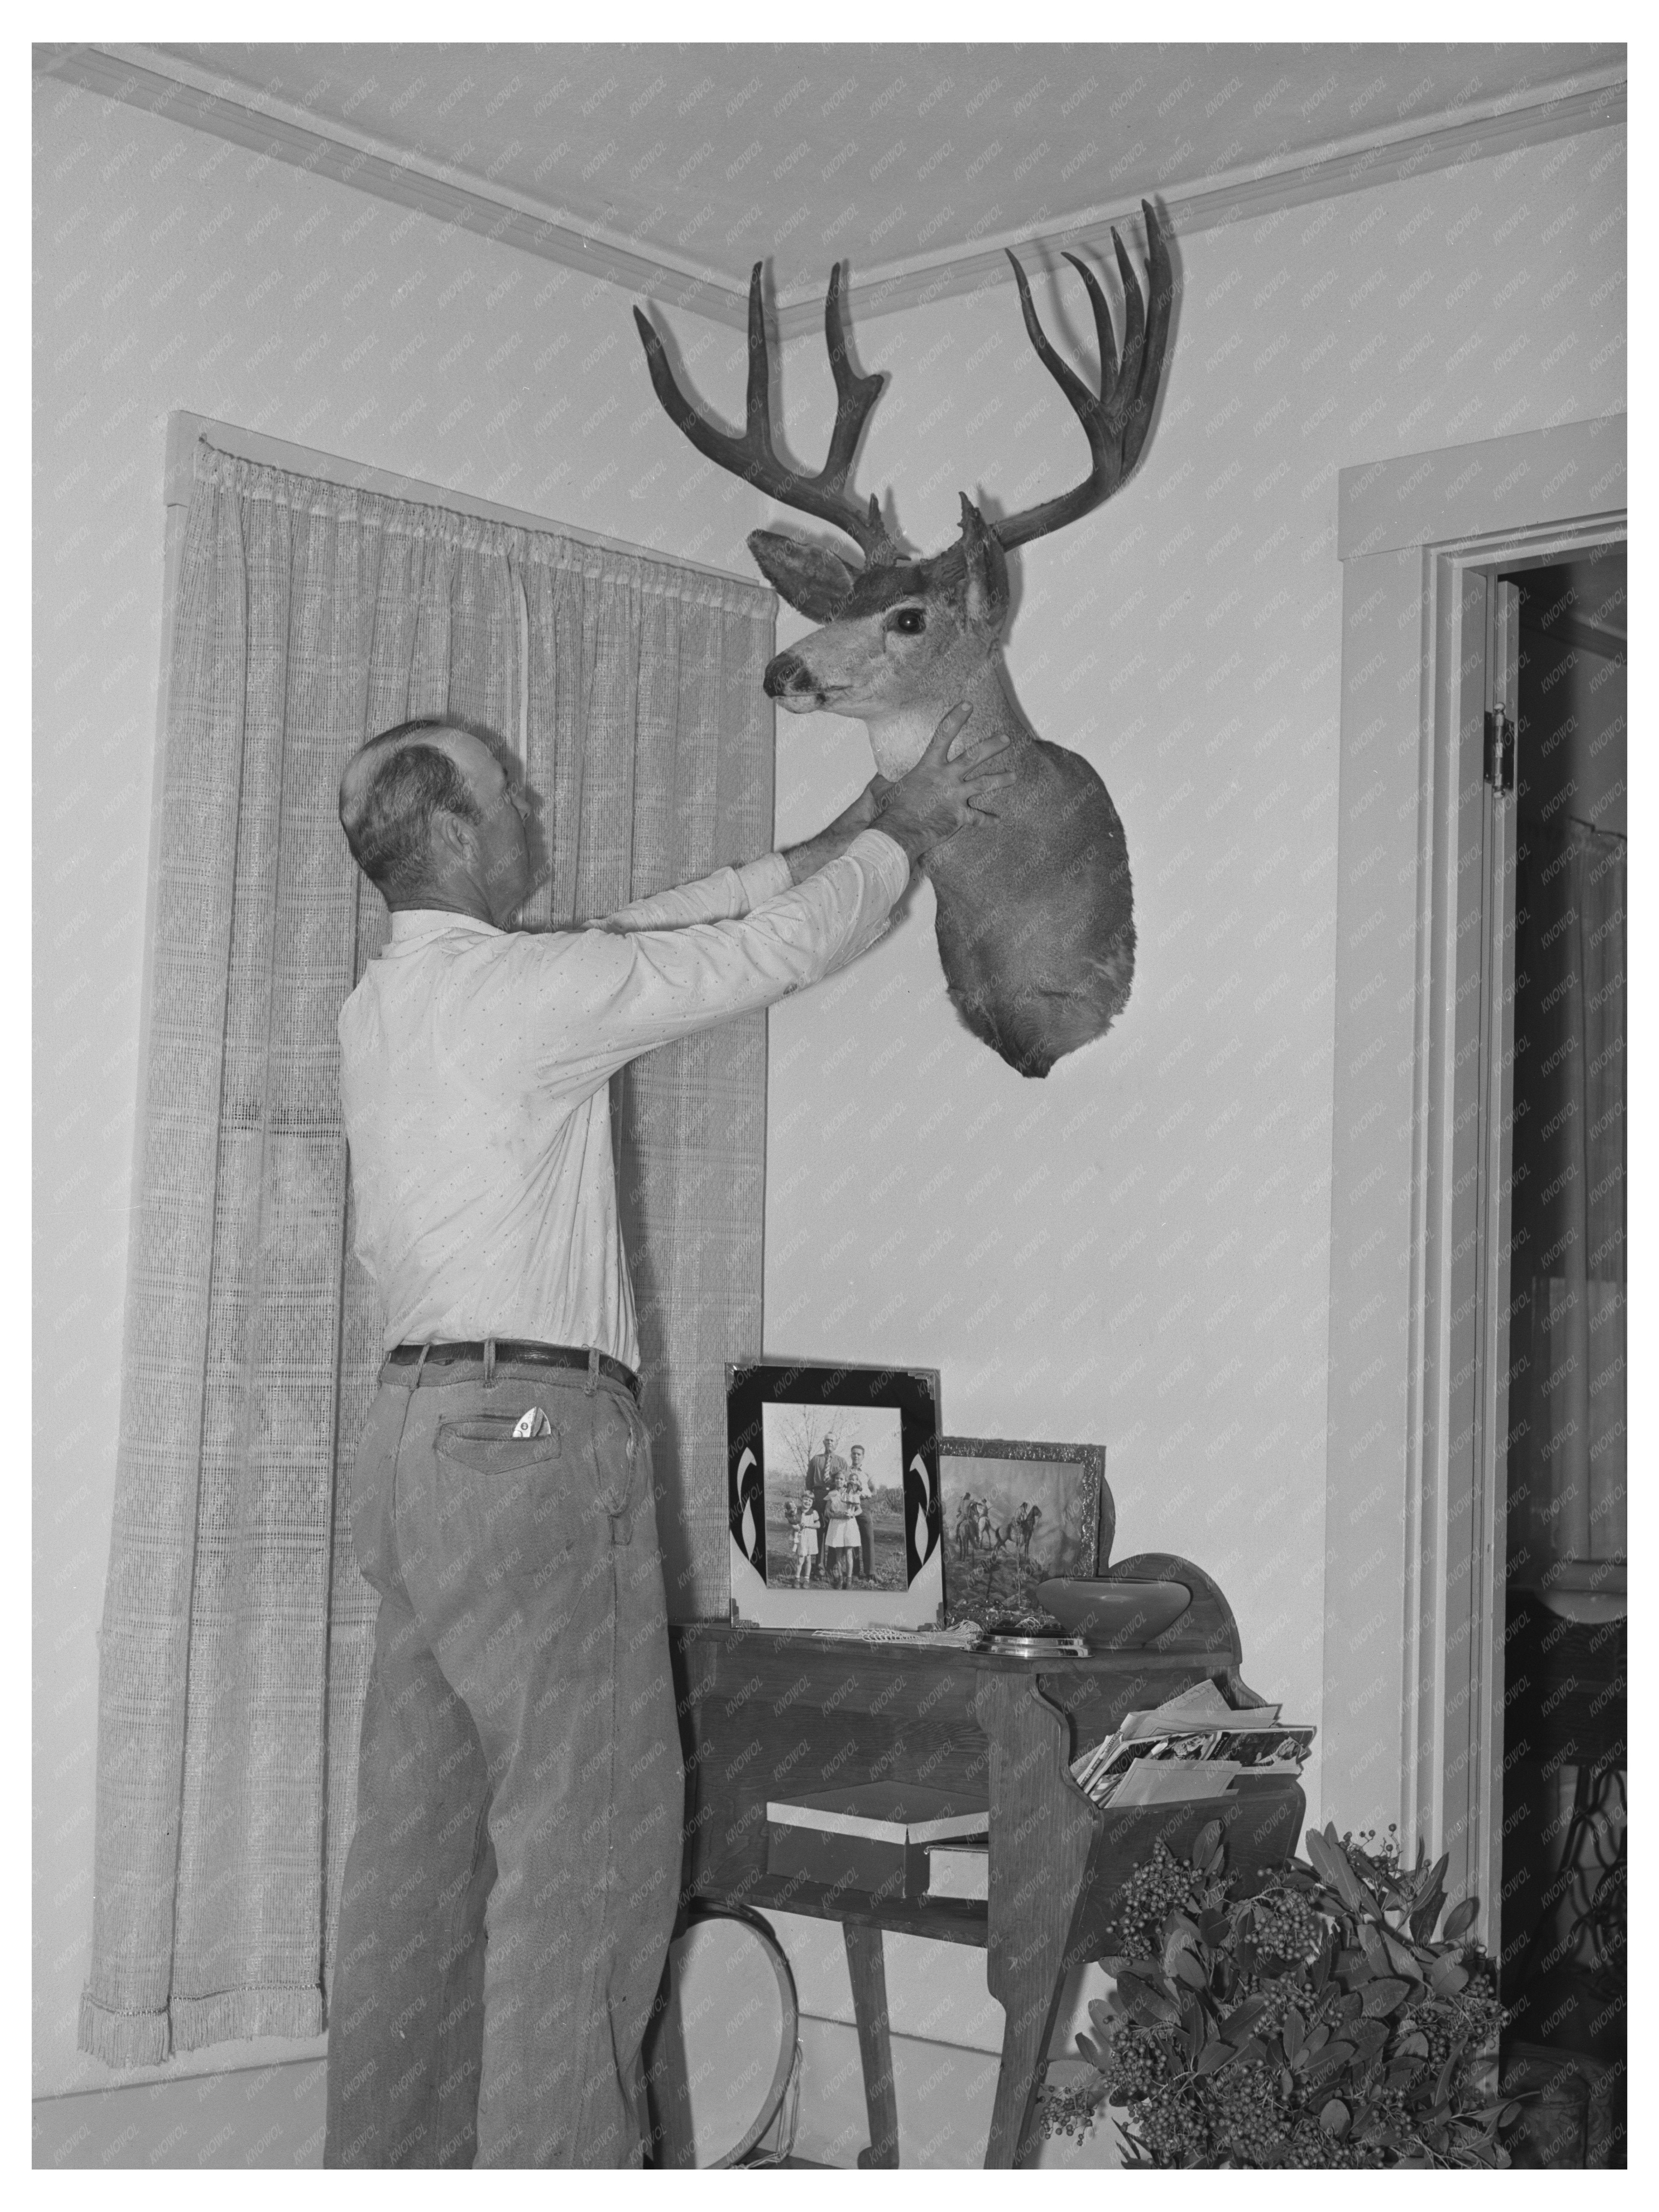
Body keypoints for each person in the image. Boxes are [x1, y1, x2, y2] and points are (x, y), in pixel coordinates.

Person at [323, 699, 1009, 2169]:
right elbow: (758, 959)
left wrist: (816, 841)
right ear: (449, 829)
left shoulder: (395, 999)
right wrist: (901, 835)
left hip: (410, 1447)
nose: (535, 815)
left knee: (417, 1881)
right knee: (586, 1866)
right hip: (526, 1445)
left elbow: (638, 929)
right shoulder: (518, 996)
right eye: (511, 796)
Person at [847, 1443, 876, 1582]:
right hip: (851, 1505)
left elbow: (874, 1489)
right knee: (853, 1537)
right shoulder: (847, 1471)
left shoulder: (867, 1472)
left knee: (868, 1537)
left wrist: (868, 1496)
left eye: (859, 1454)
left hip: (864, 1504)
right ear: (851, 1455)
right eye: (854, 1453)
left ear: (863, 1457)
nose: (856, 1456)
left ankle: (871, 1572)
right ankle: (855, 1571)